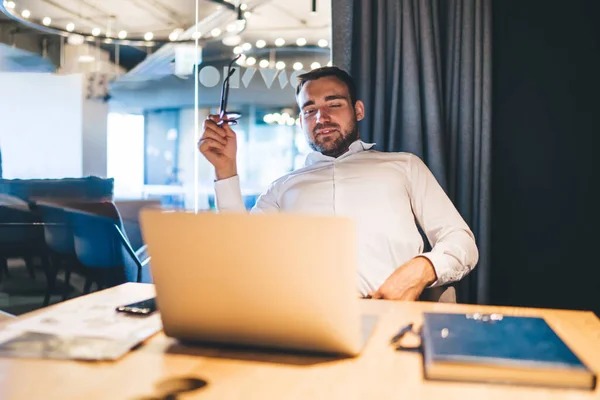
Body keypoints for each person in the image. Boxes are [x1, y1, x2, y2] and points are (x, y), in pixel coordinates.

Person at [198, 66, 478, 302]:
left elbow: (461, 241)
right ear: (300, 121)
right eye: (310, 110)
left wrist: (421, 268)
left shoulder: (404, 166)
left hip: (390, 317)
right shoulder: (281, 188)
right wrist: (225, 170)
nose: (321, 118)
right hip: (300, 321)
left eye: (333, 104)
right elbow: (240, 251)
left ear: (358, 110)